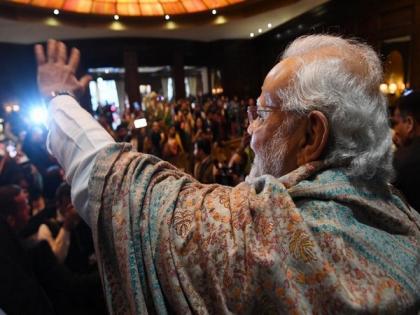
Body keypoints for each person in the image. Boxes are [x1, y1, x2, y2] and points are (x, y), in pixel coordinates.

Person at [35, 36, 420, 314]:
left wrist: (59, 103)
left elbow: (128, 190)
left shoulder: (269, 239)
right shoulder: (400, 213)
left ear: (311, 136)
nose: (250, 131)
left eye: (262, 113)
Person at [392, 91, 420, 212]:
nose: (395, 131)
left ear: (409, 123)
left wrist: (400, 154)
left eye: (396, 123)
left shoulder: (400, 162)